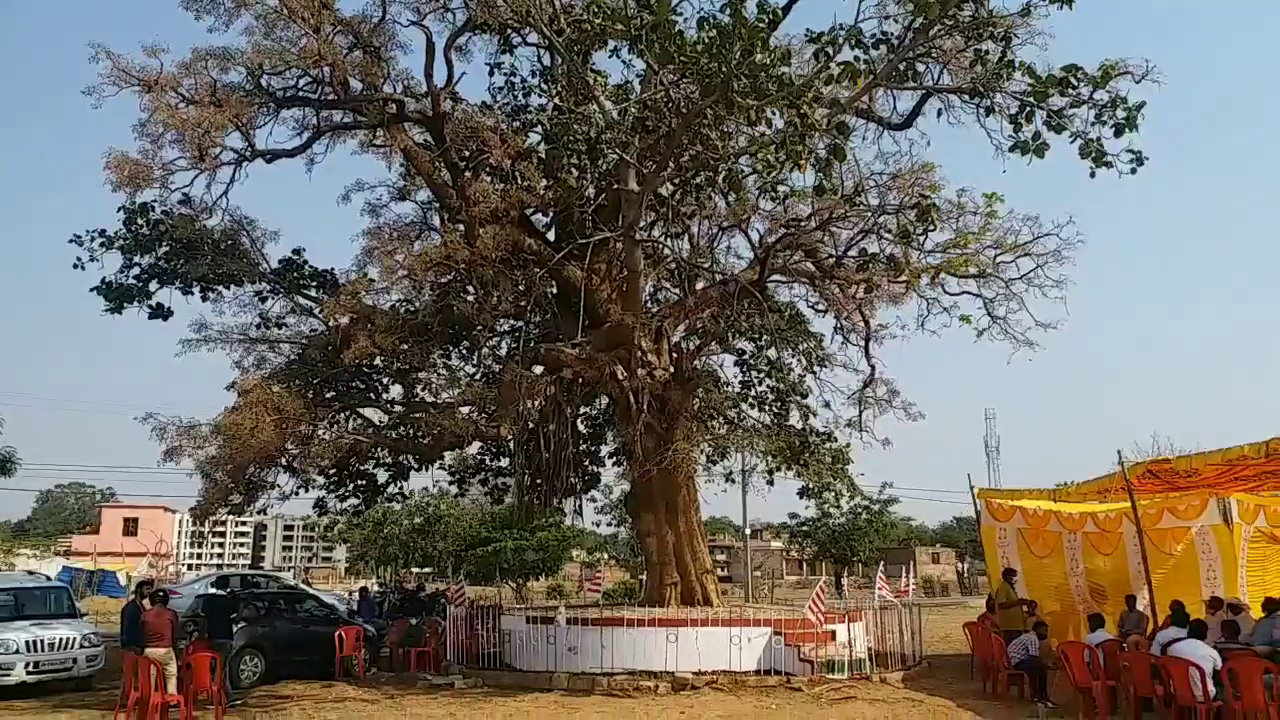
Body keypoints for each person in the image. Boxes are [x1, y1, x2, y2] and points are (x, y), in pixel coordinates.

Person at [1164, 618, 1222, 702]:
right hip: (1203, 695)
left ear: (1188, 630)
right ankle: (1214, 714)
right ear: (1206, 634)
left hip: (1177, 692)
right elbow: (1218, 676)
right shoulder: (1211, 652)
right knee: (1221, 690)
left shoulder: (1172, 648)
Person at [1005, 620, 1059, 710]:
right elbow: (1034, 657)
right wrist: (1047, 665)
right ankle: (1043, 697)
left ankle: (1036, 696)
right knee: (1040, 667)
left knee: (1037, 666)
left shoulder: (1029, 636)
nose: (1046, 634)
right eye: (1044, 631)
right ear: (1038, 630)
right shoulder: (1032, 639)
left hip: (1017, 660)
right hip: (1018, 662)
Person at [142, 588, 181, 697]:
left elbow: (141, 632)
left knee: (151, 676)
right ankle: (172, 697)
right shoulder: (171, 614)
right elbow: (175, 633)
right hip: (166, 649)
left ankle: (149, 698)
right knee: (171, 674)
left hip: (149, 651)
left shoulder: (145, 615)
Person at [992, 567, 1034, 645]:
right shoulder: (1003, 588)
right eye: (1014, 576)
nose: (1016, 579)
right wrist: (1018, 602)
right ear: (1008, 577)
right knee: (1012, 648)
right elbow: (1001, 605)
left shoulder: (1009, 588)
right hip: (1009, 626)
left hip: (1015, 625)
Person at [119, 579, 155, 655]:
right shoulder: (131, 607)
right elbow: (129, 628)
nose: (149, 592)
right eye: (147, 589)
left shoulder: (140, 605)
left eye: (150, 589)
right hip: (133, 646)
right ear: (139, 590)